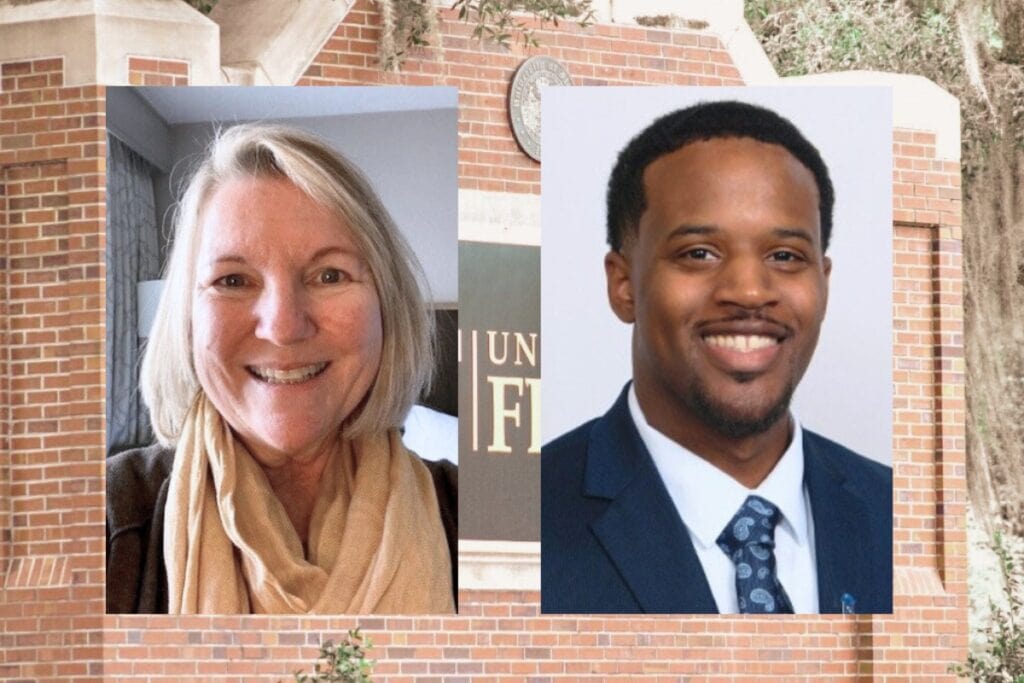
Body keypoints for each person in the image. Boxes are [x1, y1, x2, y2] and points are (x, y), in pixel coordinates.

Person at [541, 100, 892, 615]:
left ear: (823, 283)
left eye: (786, 256)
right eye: (699, 253)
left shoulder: (898, 514)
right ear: (623, 285)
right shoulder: (521, 520)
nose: (749, 291)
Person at [106, 124, 456, 614]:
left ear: (386, 306)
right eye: (233, 280)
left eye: (329, 275)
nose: (284, 327)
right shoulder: (102, 516)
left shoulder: (482, 518)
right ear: (186, 319)